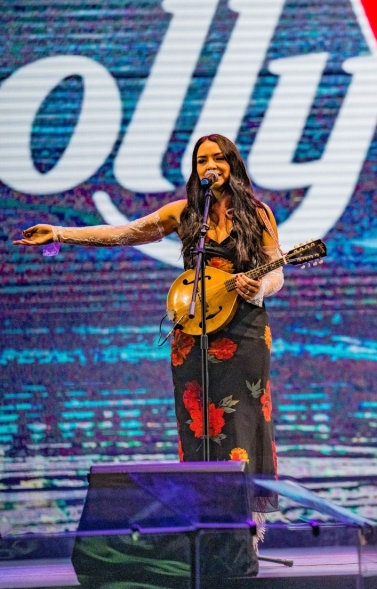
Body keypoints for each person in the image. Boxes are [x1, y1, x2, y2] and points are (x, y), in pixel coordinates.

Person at [15, 134, 284, 523]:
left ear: (233, 164)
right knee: (199, 423)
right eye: (202, 160)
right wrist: (59, 233)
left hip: (244, 333)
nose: (210, 166)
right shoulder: (185, 213)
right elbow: (123, 233)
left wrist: (259, 287)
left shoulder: (258, 214)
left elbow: (276, 270)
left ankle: (246, 529)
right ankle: (208, 522)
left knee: (243, 420)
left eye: (219, 158)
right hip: (194, 329)